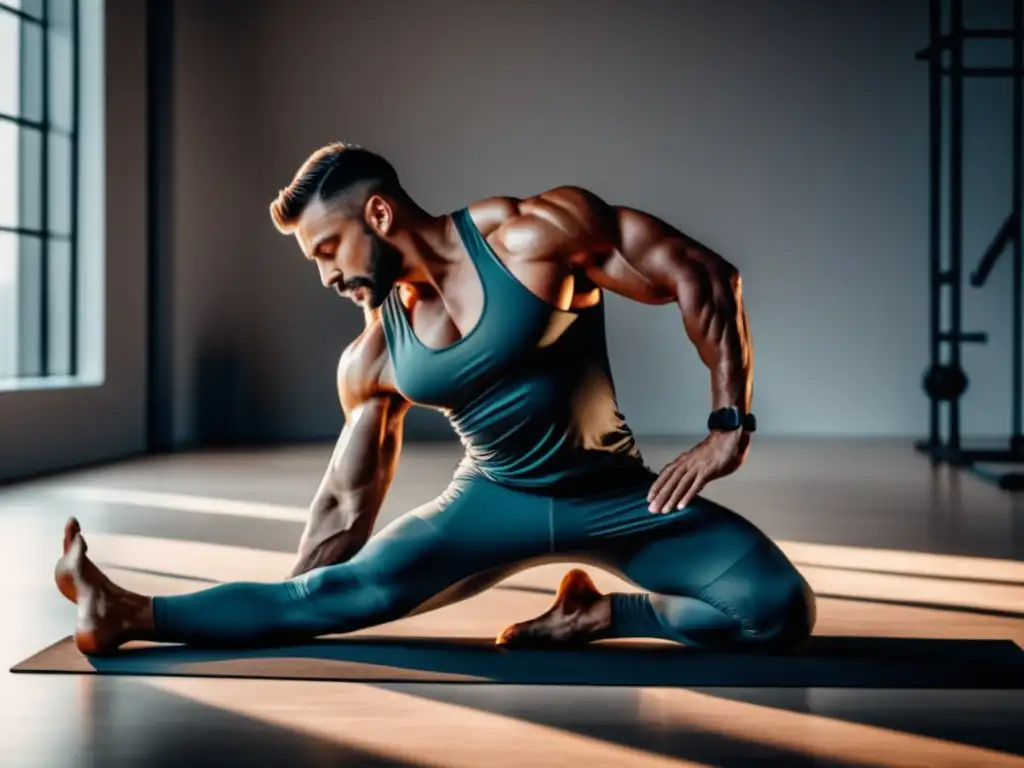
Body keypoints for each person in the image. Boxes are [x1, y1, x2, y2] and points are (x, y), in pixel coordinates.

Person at [55, 142, 816, 655]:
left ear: (378, 215)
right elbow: (345, 506)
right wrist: (295, 609)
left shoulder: (531, 238)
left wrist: (727, 426)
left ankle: (604, 612)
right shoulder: (375, 351)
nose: (324, 275)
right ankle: (124, 612)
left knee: (777, 610)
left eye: (329, 249)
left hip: (615, 495)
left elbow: (704, 277)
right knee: (332, 593)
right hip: (489, 503)